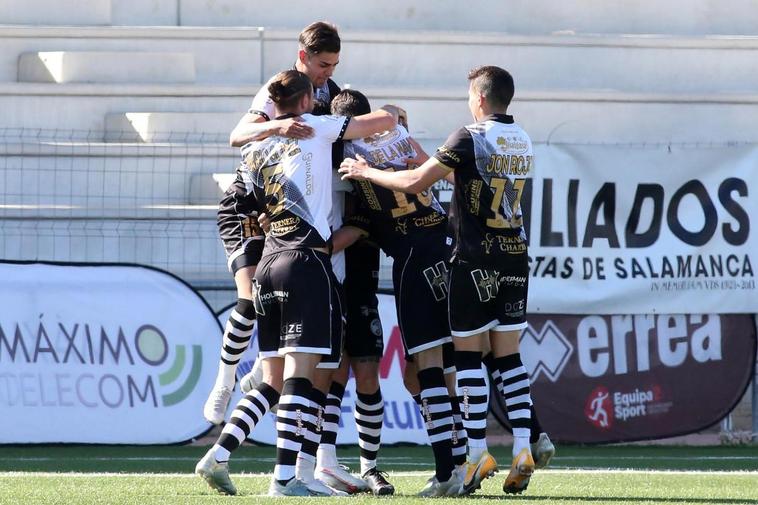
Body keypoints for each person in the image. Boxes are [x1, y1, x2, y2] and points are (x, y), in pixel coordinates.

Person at [195, 69, 397, 497]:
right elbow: (379, 123)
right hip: (307, 262)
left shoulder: (255, 148)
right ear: (306, 102)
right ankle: (286, 478)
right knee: (302, 378)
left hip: (268, 262)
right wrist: (394, 114)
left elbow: (246, 204)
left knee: (271, 376)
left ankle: (220, 453)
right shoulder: (317, 129)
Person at [339, 65, 538, 495]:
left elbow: (409, 183)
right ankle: (527, 441)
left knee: (442, 364)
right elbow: (446, 173)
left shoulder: (354, 157)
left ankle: (458, 465)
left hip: (443, 256)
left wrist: (362, 174)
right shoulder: (522, 138)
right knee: (501, 357)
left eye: (470, 94)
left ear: (480, 98)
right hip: (496, 250)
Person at [329, 89, 464, 497]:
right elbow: (397, 118)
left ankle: (448, 473)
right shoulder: (398, 132)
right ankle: (462, 459)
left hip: (415, 256)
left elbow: (356, 221)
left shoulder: (347, 155)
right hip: (449, 245)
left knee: (426, 366)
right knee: (424, 372)